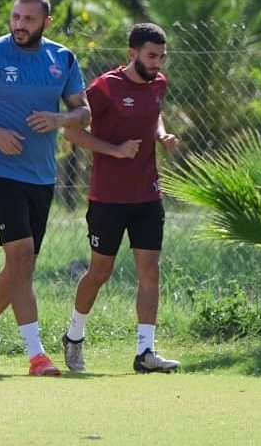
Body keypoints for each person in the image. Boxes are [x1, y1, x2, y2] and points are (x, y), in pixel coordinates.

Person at [0, 0, 89, 376]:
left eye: (28, 19)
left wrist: (60, 119)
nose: (19, 25)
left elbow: (83, 112)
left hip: (42, 175)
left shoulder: (63, 58)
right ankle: (37, 355)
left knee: (19, 267)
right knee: (22, 259)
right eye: (15, 17)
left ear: (46, 22)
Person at [61, 23, 181, 374]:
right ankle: (74, 336)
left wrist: (161, 135)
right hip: (108, 198)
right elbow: (72, 132)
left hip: (148, 195)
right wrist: (115, 150)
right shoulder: (105, 87)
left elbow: (154, 113)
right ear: (133, 53)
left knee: (150, 271)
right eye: (152, 56)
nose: (157, 63)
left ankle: (146, 352)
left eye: (162, 56)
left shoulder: (159, 83)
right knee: (100, 272)